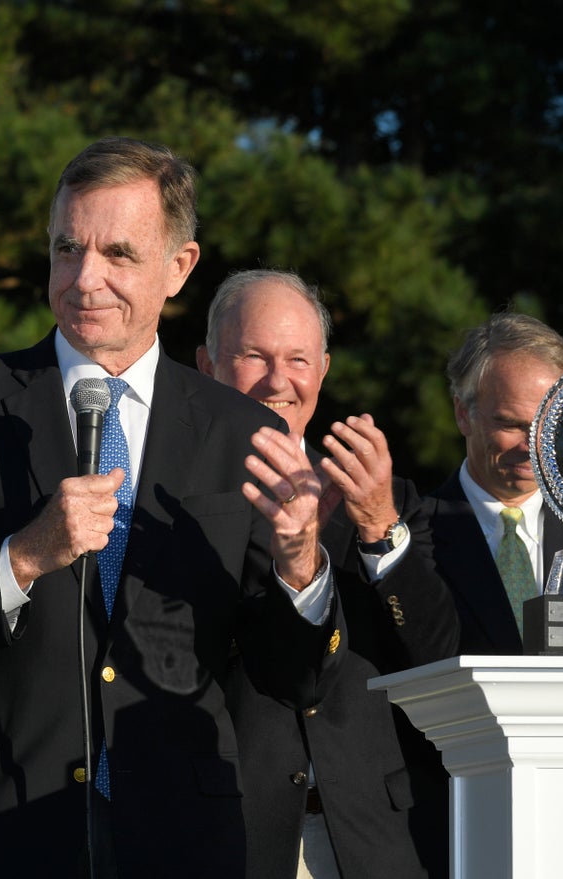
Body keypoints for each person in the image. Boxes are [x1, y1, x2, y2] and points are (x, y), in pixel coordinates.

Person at [0, 138, 345, 879]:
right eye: (67, 248)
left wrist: (302, 561)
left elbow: (294, 677)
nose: (84, 278)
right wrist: (21, 557)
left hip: (181, 838)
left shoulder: (244, 434)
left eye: (118, 254)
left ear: (181, 266)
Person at [197, 269, 459, 879]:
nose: (279, 380)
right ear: (207, 364)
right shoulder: (165, 493)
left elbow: (435, 652)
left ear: (324, 370)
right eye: (254, 356)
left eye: (298, 359)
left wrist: (377, 525)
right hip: (229, 832)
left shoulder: (385, 499)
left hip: (372, 837)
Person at [423, 312, 563, 655]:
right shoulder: (411, 535)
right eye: (511, 425)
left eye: (549, 424)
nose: (533, 447)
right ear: (463, 413)